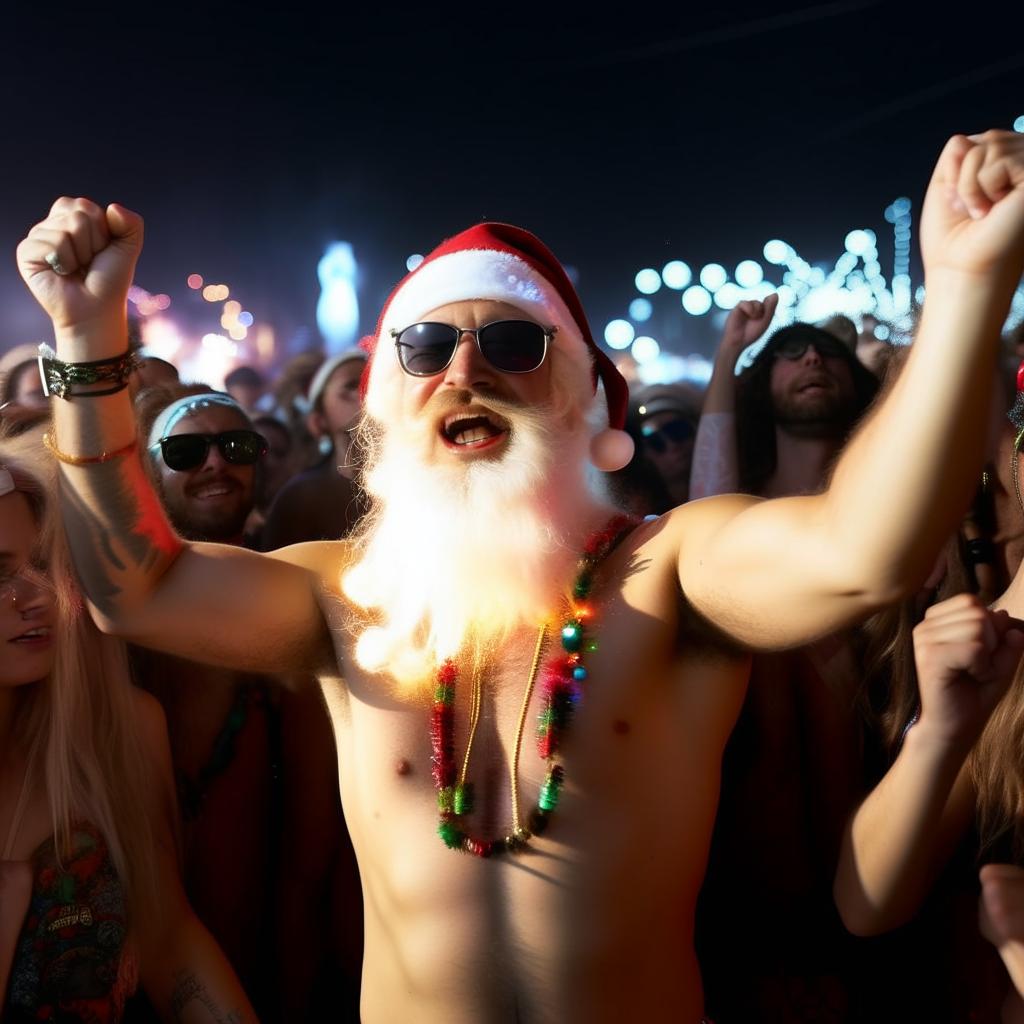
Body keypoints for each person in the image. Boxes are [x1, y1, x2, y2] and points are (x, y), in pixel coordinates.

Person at [16, 129, 1024, 1021]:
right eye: (425, 345)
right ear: (386, 408)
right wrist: (84, 339)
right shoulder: (341, 592)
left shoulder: (665, 575)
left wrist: (967, 285)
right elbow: (132, 589)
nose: (465, 371)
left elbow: (864, 551)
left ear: (587, 397)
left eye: (509, 339)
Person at [0, 425, 254, 1022]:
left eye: (43, 564)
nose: (33, 595)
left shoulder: (121, 732)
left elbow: (168, 940)